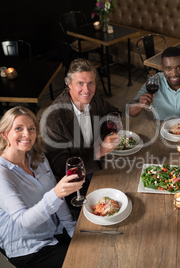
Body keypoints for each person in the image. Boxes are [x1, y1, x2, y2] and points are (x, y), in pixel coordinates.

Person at [0, 106, 83, 268]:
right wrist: (56, 194)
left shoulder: (38, 158)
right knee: (87, 259)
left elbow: (57, 202)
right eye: (18, 128)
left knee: (97, 239)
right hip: (28, 249)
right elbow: (25, 222)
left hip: (53, 230)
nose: (27, 134)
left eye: (31, 128)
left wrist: (71, 228)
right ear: (4, 134)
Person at [40, 58, 120, 210]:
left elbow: (113, 112)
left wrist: (105, 135)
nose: (87, 89)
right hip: (75, 187)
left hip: (100, 164)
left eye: (91, 83)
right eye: (80, 84)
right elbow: (60, 167)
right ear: (68, 84)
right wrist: (99, 151)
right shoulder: (53, 119)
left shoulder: (93, 98)